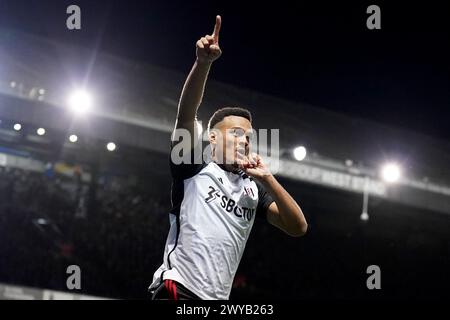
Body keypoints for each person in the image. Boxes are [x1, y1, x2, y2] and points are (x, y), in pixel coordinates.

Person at [149, 15, 307, 300]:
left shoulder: (253, 190)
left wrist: (268, 179)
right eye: (235, 133)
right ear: (212, 138)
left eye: (248, 136)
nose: (244, 140)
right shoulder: (194, 164)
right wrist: (203, 64)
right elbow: (186, 113)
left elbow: (298, 227)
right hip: (179, 289)